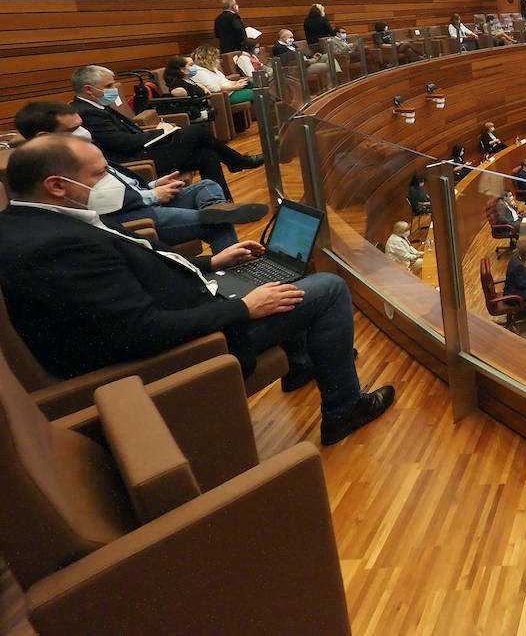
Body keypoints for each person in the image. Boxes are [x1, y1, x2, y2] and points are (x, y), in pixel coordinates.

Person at [0, 136, 394, 445]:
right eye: (99, 174)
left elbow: (139, 267)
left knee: (269, 273)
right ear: (56, 185)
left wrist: (211, 262)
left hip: (190, 302)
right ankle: (344, 410)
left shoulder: (26, 223)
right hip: (183, 349)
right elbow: (141, 331)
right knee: (328, 288)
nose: (108, 182)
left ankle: (302, 364)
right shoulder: (57, 247)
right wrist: (244, 308)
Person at [14, 102, 266, 253]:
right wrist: (152, 194)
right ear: (43, 136)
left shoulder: (77, 152)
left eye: (81, 124)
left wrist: (155, 184)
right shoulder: (52, 170)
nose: (83, 131)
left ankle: (215, 208)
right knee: (218, 224)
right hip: (135, 215)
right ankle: (237, 272)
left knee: (207, 185)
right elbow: (102, 202)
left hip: (144, 198)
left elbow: (117, 178)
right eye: (72, 129)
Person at [71, 65, 263, 201]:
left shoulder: (97, 106)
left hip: (142, 150)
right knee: (195, 131)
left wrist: (157, 131)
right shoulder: (85, 112)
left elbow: (128, 134)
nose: (114, 90)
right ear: (88, 90)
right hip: (137, 163)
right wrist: (159, 133)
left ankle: (222, 204)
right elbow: (122, 143)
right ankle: (237, 161)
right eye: (109, 86)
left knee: (207, 155)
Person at [504, 242, 526, 309]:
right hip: (513, 295)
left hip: (510, 289)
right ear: (525, 255)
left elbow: (524, 271)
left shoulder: (515, 258)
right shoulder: (518, 265)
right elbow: (521, 284)